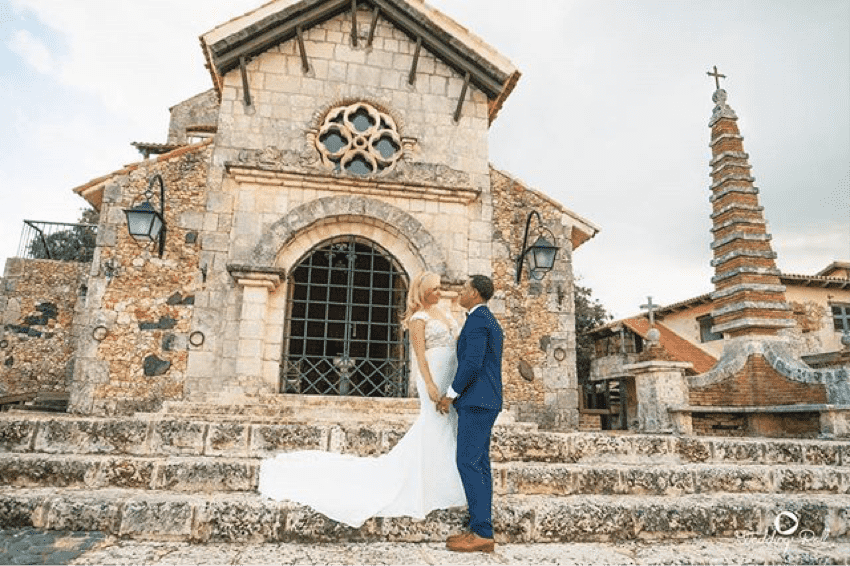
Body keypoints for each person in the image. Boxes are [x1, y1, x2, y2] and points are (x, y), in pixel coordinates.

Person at [257, 271, 465, 527]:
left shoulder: (444, 313)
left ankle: (441, 480)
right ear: (422, 291)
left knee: (447, 428)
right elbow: (420, 357)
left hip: (450, 375)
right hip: (432, 375)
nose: (439, 292)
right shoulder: (418, 318)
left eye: (441, 287)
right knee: (434, 425)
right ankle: (431, 485)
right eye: (435, 289)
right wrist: (431, 385)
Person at [437, 274, 503, 554]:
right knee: (480, 464)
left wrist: (450, 394)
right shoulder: (489, 320)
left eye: (464, 289)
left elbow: (472, 362)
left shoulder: (477, 320)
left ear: (475, 293)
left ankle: (482, 533)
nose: (460, 293)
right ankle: (480, 526)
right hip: (486, 400)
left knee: (468, 462)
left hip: (476, 401)